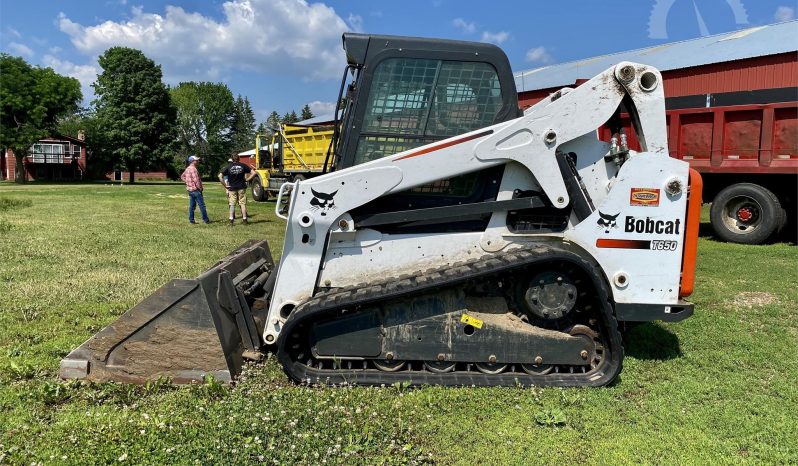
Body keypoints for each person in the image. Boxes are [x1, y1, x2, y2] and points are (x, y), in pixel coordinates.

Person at [219, 153, 255, 225]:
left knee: (232, 203)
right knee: (242, 203)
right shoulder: (243, 165)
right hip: (241, 187)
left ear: (232, 159)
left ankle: (231, 220)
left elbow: (220, 176)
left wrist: (225, 185)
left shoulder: (228, 167)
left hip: (232, 187)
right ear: (239, 158)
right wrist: (247, 179)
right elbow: (254, 173)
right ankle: (245, 219)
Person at [180, 155, 210, 224]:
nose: (198, 161)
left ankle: (191, 220)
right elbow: (196, 181)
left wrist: (188, 182)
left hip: (190, 190)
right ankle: (206, 220)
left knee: (192, 206)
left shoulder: (187, 168)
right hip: (196, 190)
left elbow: (182, 176)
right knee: (202, 205)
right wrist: (200, 188)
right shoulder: (194, 169)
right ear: (193, 161)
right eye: (196, 160)